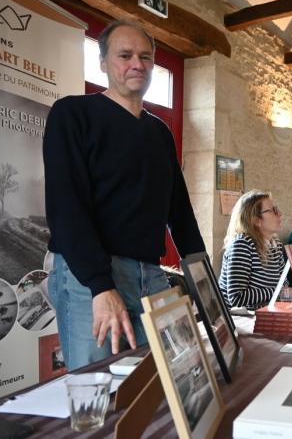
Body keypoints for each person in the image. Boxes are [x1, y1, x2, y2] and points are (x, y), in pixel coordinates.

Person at [43, 21, 205, 370]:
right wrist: (101, 286)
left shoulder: (159, 132)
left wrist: (203, 279)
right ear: (102, 62)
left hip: (152, 275)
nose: (137, 64)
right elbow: (66, 208)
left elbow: (179, 212)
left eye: (145, 56)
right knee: (98, 386)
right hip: (90, 276)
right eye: (125, 55)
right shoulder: (72, 114)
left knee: (166, 379)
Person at [219, 190, 285, 309]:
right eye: (273, 210)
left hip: (264, 314)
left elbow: (284, 285)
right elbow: (236, 298)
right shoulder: (242, 245)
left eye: (277, 209)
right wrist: (277, 291)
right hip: (239, 320)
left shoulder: (276, 245)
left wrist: (283, 291)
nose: (280, 213)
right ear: (256, 220)